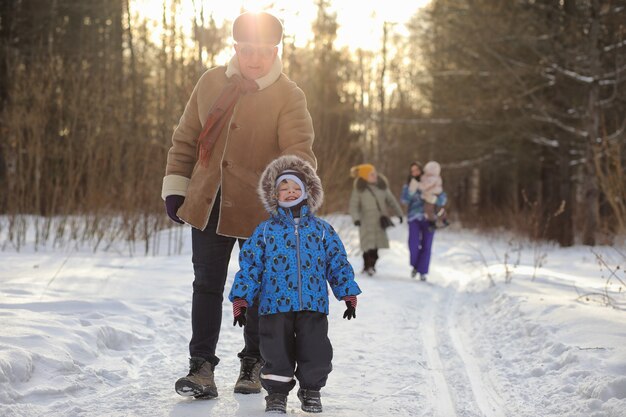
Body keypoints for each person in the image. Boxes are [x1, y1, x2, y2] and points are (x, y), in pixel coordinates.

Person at [161, 11, 316, 399]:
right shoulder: (211, 82)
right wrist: (176, 188)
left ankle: (254, 361)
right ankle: (201, 368)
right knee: (207, 284)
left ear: (275, 50)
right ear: (236, 48)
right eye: (248, 49)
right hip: (208, 203)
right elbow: (185, 138)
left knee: (260, 288)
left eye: (264, 50)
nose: (256, 58)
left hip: (261, 211)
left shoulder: (288, 94)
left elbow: (298, 153)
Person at [228, 155, 361, 414]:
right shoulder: (265, 231)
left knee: (316, 349)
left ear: (307, 192)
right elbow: (250, 265)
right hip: (274, 304)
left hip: (313, 303)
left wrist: (347, 292)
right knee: (275, 350)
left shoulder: (322, 230)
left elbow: (337, 262)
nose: (290, 193)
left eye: (295, 189)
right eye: (284, 189)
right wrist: (242, 299)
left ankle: (311, 390)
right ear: (274, 195)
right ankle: (276, 394)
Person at [348, 164, 404, 276]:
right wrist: (356, 218)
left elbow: (392, 201)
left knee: (376, 246)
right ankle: (366, 266)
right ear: (365, 176)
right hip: (365, 222)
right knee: (367, 246)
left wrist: (400, 214)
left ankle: (372, 266)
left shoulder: (382, 187)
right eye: (371, 174)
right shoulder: (359, 190)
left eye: (374, 173)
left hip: (379, 221)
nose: (375, 176)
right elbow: (353, 205)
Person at [401, 161, 448, 281]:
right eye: (412, 171)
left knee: (427, 245)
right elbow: (404, 200)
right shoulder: (409, 185)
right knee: (413, 243)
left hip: (430, 219)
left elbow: (442, 199)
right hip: (414, 218)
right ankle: (415, 266)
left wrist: (434, 199)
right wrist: (411, 191)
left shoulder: (433, 182)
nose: (415, 172)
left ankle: (422, 271)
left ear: (422, 170)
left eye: (417, 170)